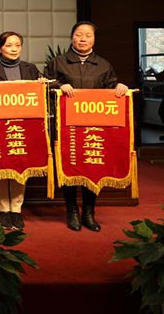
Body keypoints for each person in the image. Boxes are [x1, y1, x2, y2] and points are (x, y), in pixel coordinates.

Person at [45, 21, 128, 232]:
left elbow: (111, 87)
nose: (83, 39)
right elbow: (44, 84)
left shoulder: (103, 65)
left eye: (88, 35)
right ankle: (72, 211)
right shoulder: (58, 62)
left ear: (94, 39)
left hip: (94, 127)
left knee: (92, 166)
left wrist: (119, 86)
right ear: (72, 37)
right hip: (67, 127)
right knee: (70, 167)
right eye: (79, 34)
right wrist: (59, 85)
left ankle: (89, 213)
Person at [0, 31, 41, 231]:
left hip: (24, 125)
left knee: (20, 165)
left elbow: (42, 92)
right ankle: (3, 210)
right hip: (0, 126)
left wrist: (41, 85)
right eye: (8, 45)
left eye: (17, 45)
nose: (14, 49)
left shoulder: (31, 69)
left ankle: (16, 210)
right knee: (1, 167)